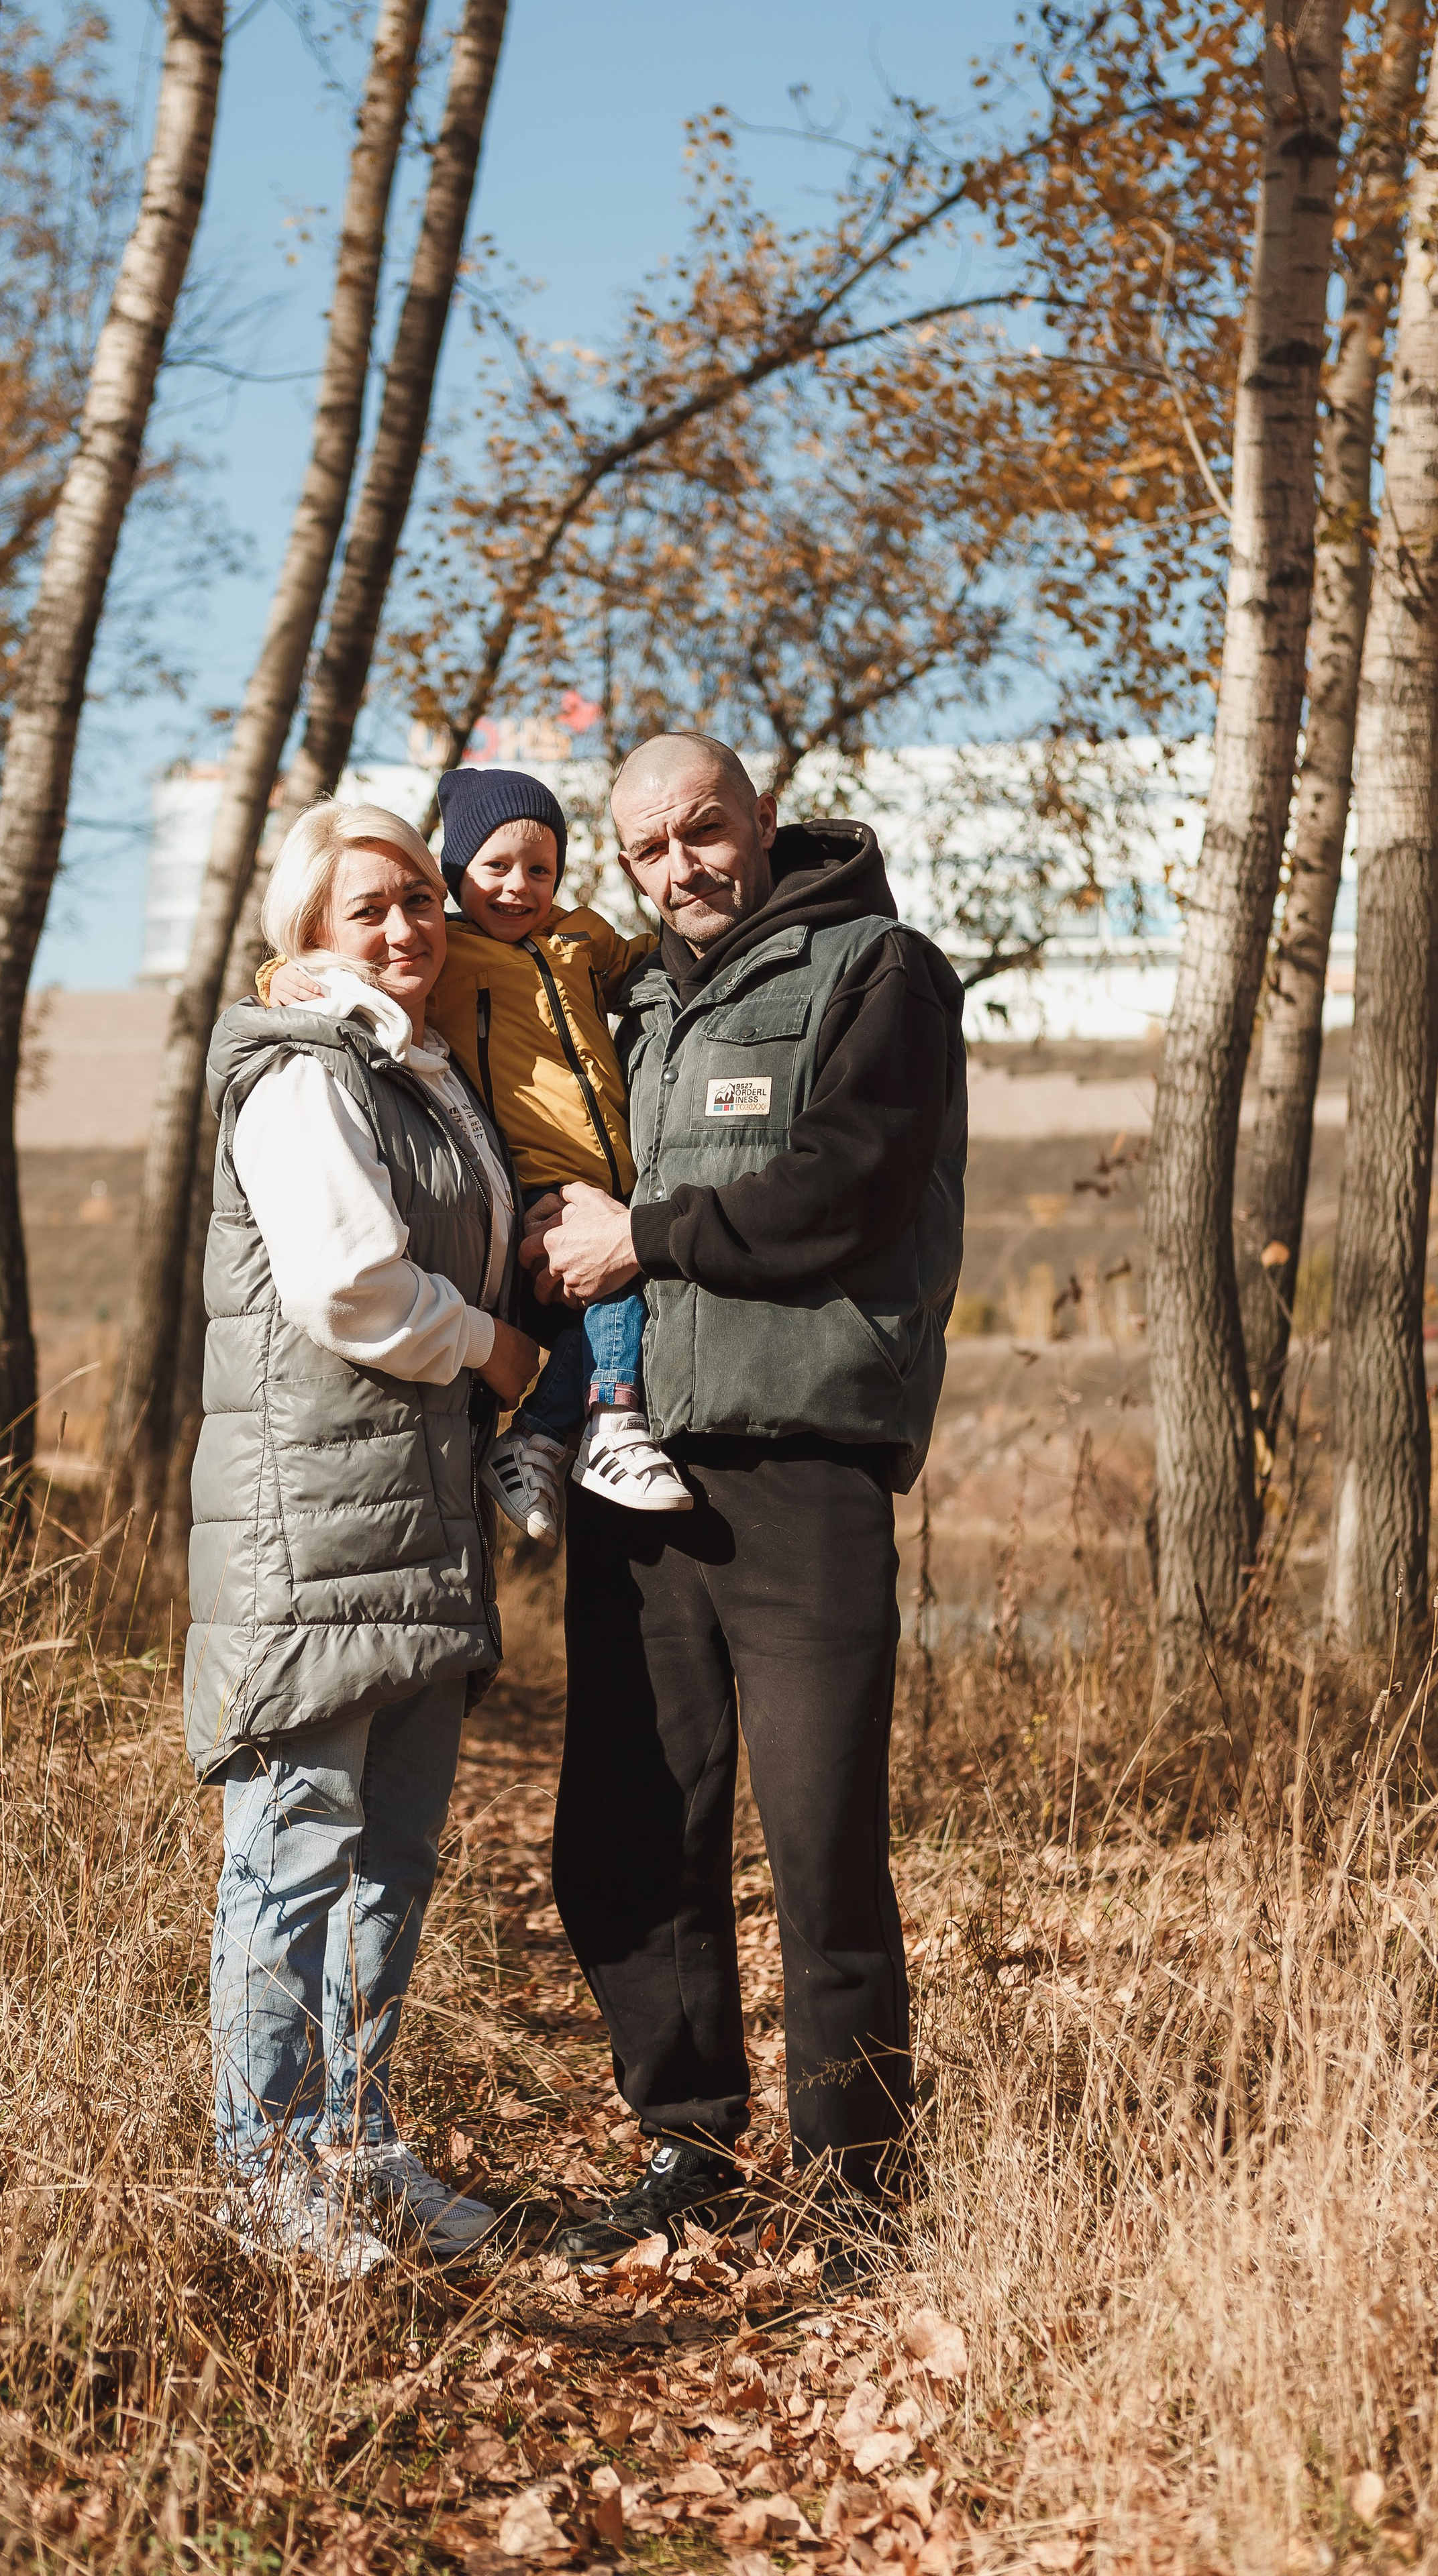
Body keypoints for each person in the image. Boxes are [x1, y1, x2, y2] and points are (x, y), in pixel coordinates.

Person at [521, 732, 967, 2262]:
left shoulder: (876, 969)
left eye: (700, 832)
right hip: (629, 1474)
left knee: (820, 1837)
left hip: (799, 1473)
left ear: (759, 819)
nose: (676, 868)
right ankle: (688, 2149)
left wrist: (646, 1236)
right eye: (643, 849)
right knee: (633, 1828)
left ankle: (853, 2196)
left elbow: (850, 1183)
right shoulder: (627, 1000)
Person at [187, 799, 540, 2280]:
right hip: (310, 1537)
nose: (404, 929)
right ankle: (257, 2175)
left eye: (417, 900)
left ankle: (359, 2148)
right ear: (308, 934)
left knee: (391, 1863)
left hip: (409, 1525)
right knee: (293, 1855)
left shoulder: (417, 1072)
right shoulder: (302, 1075)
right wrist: (496, 1354)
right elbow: (347, 1289)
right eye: (365, 910)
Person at [267, 765, 690, 1541]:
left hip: (608, 1173)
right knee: (612, 1297)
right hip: (534, 1170)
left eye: (540, 870)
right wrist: (284, 972)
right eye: (494, 868)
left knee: (588, 1321)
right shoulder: (448, 949)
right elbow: (337, 962)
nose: (518, 888)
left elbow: (650, 962)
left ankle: (538, 1438)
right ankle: (611, 1424)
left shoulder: (579, 939)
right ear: (458, 874)